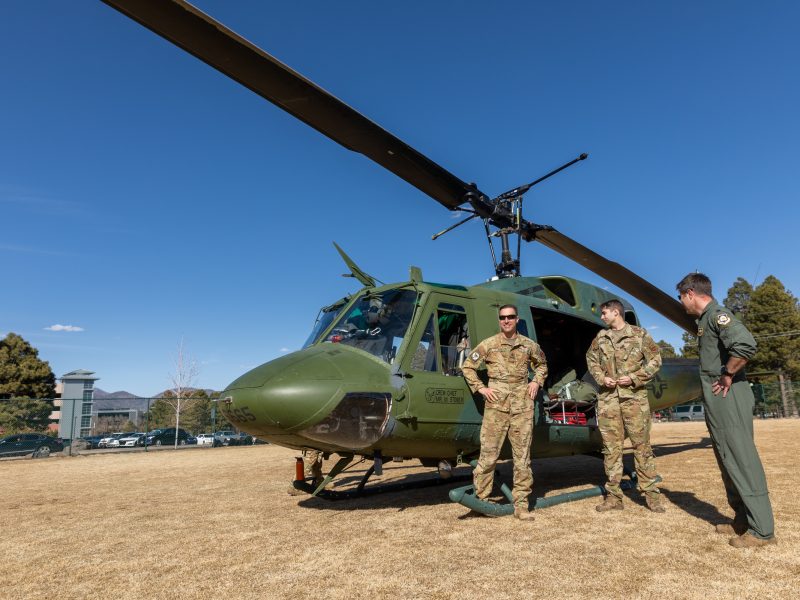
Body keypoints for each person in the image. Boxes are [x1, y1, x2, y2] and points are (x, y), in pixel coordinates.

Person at [676, 272, 776, 548]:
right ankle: (742, 519)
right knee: (726, 457)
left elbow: (745, 344)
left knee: (741, 458)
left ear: (690, 294)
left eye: (681, 297)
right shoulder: (705, 320)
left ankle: (763, 531)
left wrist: (728, 374)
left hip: (728, 395)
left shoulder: (719, 315)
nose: (681, 303)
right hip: (718, 397)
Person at [462, 304, 547, 521]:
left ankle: (521, 504)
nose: (506, 321)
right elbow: (467, 366)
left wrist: (536, 381)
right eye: (502, 318)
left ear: (517, 319)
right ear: (499, 320)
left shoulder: (529, 345)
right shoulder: (489, 344)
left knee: (522, 457)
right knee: (488, 455)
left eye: (510, 317)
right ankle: (481, 500)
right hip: (496, 406)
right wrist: (481, 388)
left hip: (522, 405)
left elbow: (542, 365)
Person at [586, 299, 665, 513]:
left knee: (642, 447)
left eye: (604, 313)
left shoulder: (639, 334)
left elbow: (656, 360)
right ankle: (613, 497)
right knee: (611, 450)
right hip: (608, 401)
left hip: (634, 400)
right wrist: (602, 378)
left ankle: (651, 496)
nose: (602, 317)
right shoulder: (601, 337)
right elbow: (591, 360)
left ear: (615, 312)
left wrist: (635, 377)